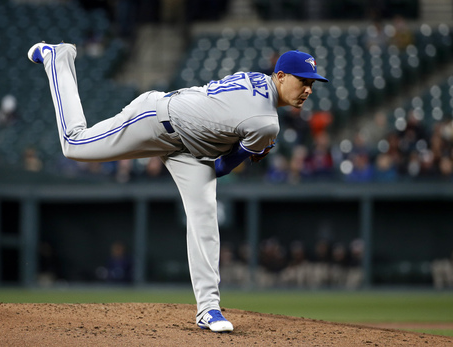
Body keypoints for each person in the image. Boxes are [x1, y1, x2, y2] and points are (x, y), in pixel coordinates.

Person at [27, 42, 328, 332]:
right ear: (280, 76)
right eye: (303, 80)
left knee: (204, 216)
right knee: (74, 145)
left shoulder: (257, 80)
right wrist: (251, 152)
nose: (308, 89)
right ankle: (58, 58)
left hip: (192, 149)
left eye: (312, 83)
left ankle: (208, 308)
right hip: (157, 121)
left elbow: (219, 157)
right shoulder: (266, 123)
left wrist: (246, 149)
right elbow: (222, 168)